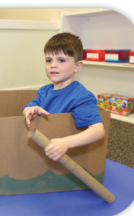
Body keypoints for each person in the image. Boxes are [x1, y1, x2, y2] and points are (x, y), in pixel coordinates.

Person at [23, 32, 105, 161]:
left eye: (61, 60)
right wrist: (30, 110)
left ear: (77, 66)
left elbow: (98, 131)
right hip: (41, 151)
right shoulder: (44, 91)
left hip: (66, 155)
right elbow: (29, 107)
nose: (53, 65)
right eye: (49, 60)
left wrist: (66, 143)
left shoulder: (81, 96)